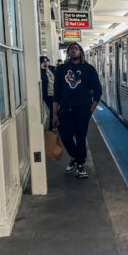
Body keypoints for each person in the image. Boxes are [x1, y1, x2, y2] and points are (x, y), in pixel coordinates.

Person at [53, 43, 102, 179]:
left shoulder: (89, 69)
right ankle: (75, 156)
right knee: (65, 136)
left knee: (81, 137)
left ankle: (80, 165)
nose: (73, 51)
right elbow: (56, 93)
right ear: (68, 53)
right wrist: (54, 113)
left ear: (80, 52)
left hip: (82, 110)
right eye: (70, 49)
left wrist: (90, 110)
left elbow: (98, 91)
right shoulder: (61, 69)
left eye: (75, 49)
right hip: (65, 109)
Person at [40, 55, 55, 130]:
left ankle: (53, 126)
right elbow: (43, 80)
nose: (46, 63)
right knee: (53, 110)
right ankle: (51, 128)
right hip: (48, 95)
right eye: (43, 62)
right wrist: (43, 69)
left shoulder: (52, 68)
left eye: (47, 61)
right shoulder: (40, 72)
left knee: (55, 110)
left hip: (55, 93)